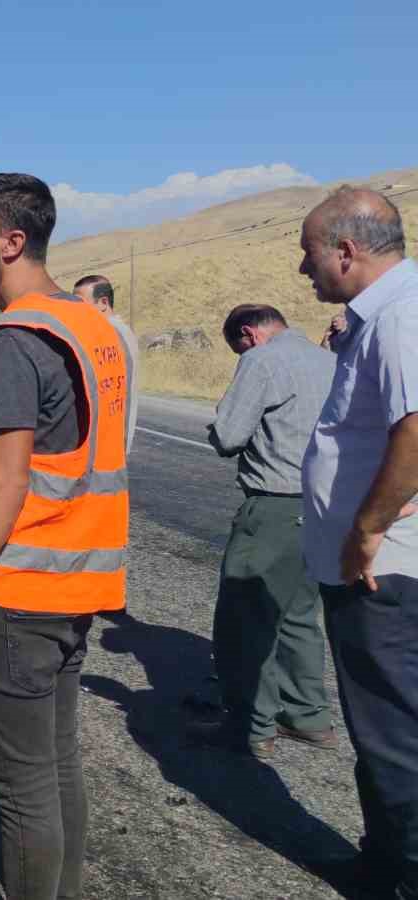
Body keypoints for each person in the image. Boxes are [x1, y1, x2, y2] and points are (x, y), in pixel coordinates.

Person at [0, 173, 130, 900]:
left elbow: (5, 481)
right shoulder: (93, 326)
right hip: (75, 581)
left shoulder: (13, 338)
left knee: (22, 787)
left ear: (10, 243)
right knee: (57, 763)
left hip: (15, 591)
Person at [297, 186, 418, 898]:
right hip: (375, 569)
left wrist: (367, 528)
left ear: (346, 251)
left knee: (395, 739)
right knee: (381, 733)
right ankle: (382, 865)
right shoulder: (378, 318)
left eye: (308, 254)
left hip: (383, 573)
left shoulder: (401, 316)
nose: (303, 270)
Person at [193, 304, 335, 759]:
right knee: (298, 613)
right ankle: (308, 714)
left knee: (244, 618)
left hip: (274, 505)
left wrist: (218, 424)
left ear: (249, 335)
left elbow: (231, 436)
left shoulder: (262, 360)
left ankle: (251, 726)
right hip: (325, 505)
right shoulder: (326, 359)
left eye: (238, 349)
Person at [74, 275, 141, 453]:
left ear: (103, 302)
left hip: (103, 448)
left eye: (81, 303)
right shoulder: (123, 332)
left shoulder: (106, 334)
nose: (76, 309)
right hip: (114, 446)